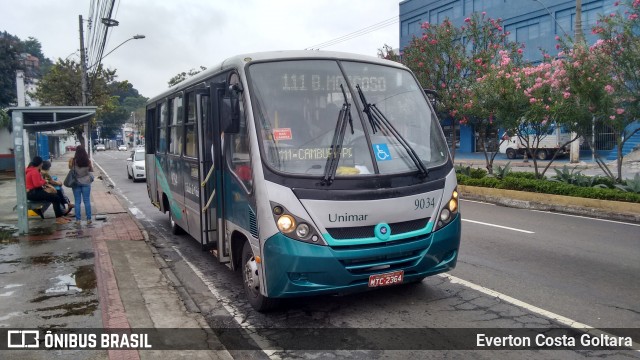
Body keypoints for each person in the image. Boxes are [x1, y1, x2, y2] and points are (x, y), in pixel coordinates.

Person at [25, 156, 70, 224]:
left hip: (32, 192)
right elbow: (37, 184)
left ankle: (61, 216)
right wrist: (44, 181)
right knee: (55, 198)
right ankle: (58, 218)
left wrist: (43, 181)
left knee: (56, 194)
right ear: (40, 164)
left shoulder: (31, 169)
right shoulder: (34, 171)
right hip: (33, 193)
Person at [69, 145, 94, 224]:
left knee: (77, 201)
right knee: (87, 201)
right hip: (86, 182)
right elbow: (91, 170)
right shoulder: (87, 161)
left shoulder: (73, 161)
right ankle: (89, 219)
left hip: (76, 182)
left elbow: (70, 168)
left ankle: (78, 220)